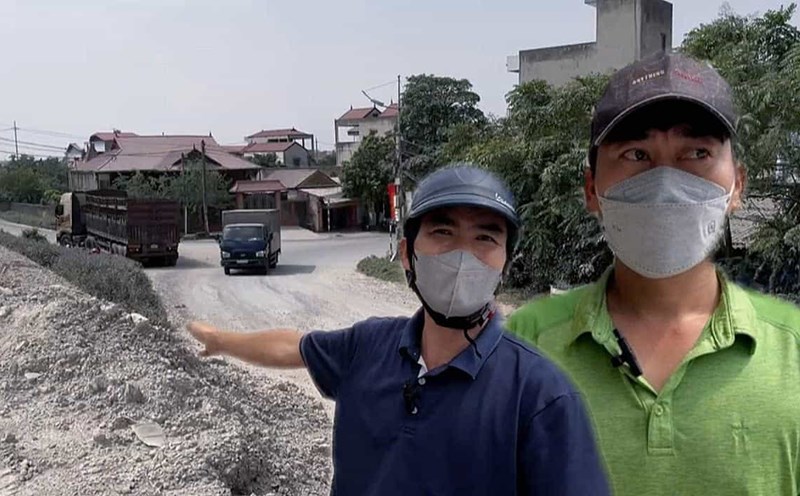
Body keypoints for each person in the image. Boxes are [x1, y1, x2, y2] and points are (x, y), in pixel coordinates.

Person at [187, 164, 610, 495]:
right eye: (443, 232)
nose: (464, 255)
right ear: (407, 254)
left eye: (485, 238)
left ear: (505, 262)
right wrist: (222, 341)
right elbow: (293, 347)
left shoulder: (541, 396)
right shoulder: (368, 346)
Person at [507, 52, 800, 496]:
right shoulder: (524, 346)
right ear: (592, 189)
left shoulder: (793, 353)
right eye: (636, 154)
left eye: (697, 153)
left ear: (738, 185)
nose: (665, 181)